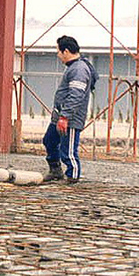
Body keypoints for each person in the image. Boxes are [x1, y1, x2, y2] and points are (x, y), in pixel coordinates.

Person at [42, 35, 98, 184]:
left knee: (68, 150)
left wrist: (65, 117)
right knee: (49, 140)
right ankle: (55, 170)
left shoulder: (79, 69)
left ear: (66, 51)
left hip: (70, 119)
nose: (58, 55)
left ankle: (72, 177)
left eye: (59, 51)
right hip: (60, 116)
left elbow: (76, 95)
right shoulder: (73, 67)